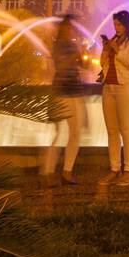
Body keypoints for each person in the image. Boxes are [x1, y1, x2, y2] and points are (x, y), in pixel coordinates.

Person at [99, 10, 129, 185]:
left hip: (126, 87)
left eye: (119, 24)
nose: (116, 28)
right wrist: (105, 50)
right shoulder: (112, 41)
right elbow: (103, 63)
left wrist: (117, 51)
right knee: (111, 130)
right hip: (108, 87)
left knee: (125, 129)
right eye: (114, 24)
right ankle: (114, 168)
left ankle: (128, 170)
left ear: (127, 24)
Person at [41, 14, 86, 185]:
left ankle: (67, 171)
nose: (70, 30)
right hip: (60, 93)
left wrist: (81, 55)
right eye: (67, 27)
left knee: (76, 133)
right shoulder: (58, 46)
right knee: (58, 134)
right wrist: (74, 56)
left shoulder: (73, 45)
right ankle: (48, 172)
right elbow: (61, 66)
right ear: (62, 29)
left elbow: (83, 65)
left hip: (75, 92)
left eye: (71, 27)